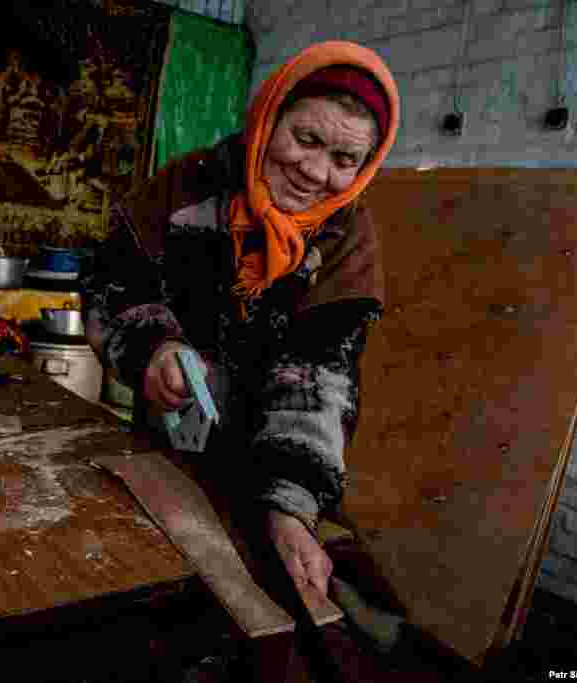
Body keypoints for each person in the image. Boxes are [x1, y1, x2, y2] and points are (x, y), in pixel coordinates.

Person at [80, 41, 400, 597]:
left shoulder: (345, 237)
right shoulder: (185, 187)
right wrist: (154, 348)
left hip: (278, 456)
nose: (315, 172)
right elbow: (114, 286)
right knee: (154, 580)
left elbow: (318, 374)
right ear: (269, 117)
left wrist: (292, 505)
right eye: (305, 139)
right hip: (170, 439)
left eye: (344, 161)